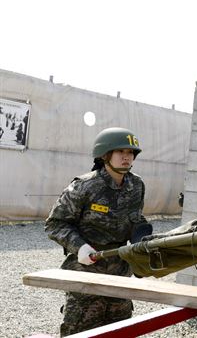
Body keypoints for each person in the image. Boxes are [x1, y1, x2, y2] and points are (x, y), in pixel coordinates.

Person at [45, 127, 150, 336]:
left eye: (130, 153)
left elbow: (136, 219)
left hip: (120, 270)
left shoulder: (136, 185)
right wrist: (80, 247)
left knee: (118, 328)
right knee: (81, 330)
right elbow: (55, 224)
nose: (126, 157)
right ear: (105, 155)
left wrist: (141, 239)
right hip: (86, 269)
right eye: (121, 152)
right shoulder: (85, 186)